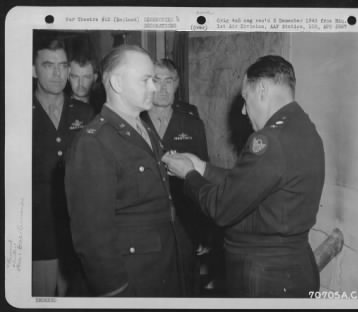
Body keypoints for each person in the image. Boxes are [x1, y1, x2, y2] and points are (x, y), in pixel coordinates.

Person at [162, 55, 325, 297]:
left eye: (245, 99)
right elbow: (251, 182)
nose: (243, 110)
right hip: (294, 266)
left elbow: (222, 208)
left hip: (265, 276)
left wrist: (188, 175)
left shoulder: (269, 140)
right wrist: (203, 168)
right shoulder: (303, 127)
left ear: (261, 90)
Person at [65, 45, 190, 297]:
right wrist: (115, 292)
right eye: (146, 80)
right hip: (133, 279)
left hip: (163, 266)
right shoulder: (94, 142)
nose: (154, 88)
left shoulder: (142, 127)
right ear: (117, 83)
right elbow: (92, 235)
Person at [141, 59, 220, 296]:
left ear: (177, 85)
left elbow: (203, 177)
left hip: (184, 220)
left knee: (187, 283)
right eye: (157, 81)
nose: (163, 88)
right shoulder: (136, 123)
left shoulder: (192, 124)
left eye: (169, 81)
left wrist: (205, 229)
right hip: (146, 220)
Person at [32, 33, 94, 297]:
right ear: (34, 70)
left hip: (76, 235)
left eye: (63, 66)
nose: (57, 74)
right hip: (37, 235)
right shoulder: (16, 111)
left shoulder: (85, 114)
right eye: (48, 65)